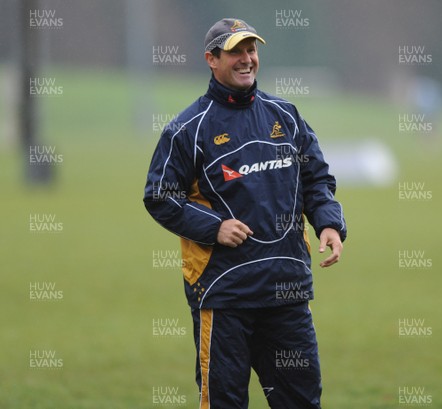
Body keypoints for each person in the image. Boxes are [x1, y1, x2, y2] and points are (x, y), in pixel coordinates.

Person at [143, 17, 347, 409]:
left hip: (286, 291)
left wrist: (329, 223)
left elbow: (316, 179)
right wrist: (214, 227)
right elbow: (160, 196)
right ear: (211, 59)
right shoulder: (188, 129)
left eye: (251, 49)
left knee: (301, 401)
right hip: (224, 295)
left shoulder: (284, 115)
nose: (246, 59)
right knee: (225, 402)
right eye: (235, 51)